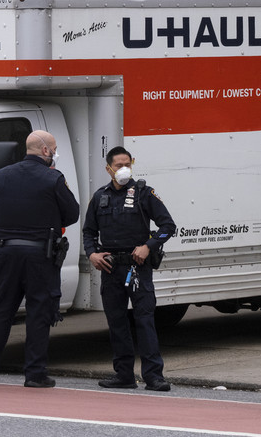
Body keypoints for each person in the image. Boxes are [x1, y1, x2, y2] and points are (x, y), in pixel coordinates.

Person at [0, 130, 80, 388]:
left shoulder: (1, 176)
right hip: (39, 256)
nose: (55, 153)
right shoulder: (53, 178)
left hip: (6, 254)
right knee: (39, 314)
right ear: (45, 150)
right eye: (54, 148)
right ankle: (34, 374)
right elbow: (72, 213)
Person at [83, 146, 176, 392]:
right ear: (108, 169)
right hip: (111, 268)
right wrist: (92, 253)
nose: (123, 169)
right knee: (116, 323)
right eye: (118, 165)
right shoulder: (100, 196)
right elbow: (89, 232)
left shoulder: (145, 193)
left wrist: (148, 246)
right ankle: (124, 375)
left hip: (138, 268)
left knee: (144, 321)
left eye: (127, 164)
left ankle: (154, 376)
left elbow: (168, 226)